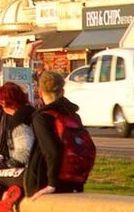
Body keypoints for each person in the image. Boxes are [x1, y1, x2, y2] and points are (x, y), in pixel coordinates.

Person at [27, 71, 86, 199]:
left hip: (47, 179)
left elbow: (51, 151)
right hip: (73, 177)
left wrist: (52, 183)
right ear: (62, 91)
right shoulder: (73, 114)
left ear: (40, 92)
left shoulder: (42, 117)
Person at [0, 83, 38, 210]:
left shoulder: (19, 120)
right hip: (38, 170)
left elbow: (23, 155)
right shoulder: (33, 112)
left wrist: (2, 165)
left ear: (4, 102)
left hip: (30, 172)